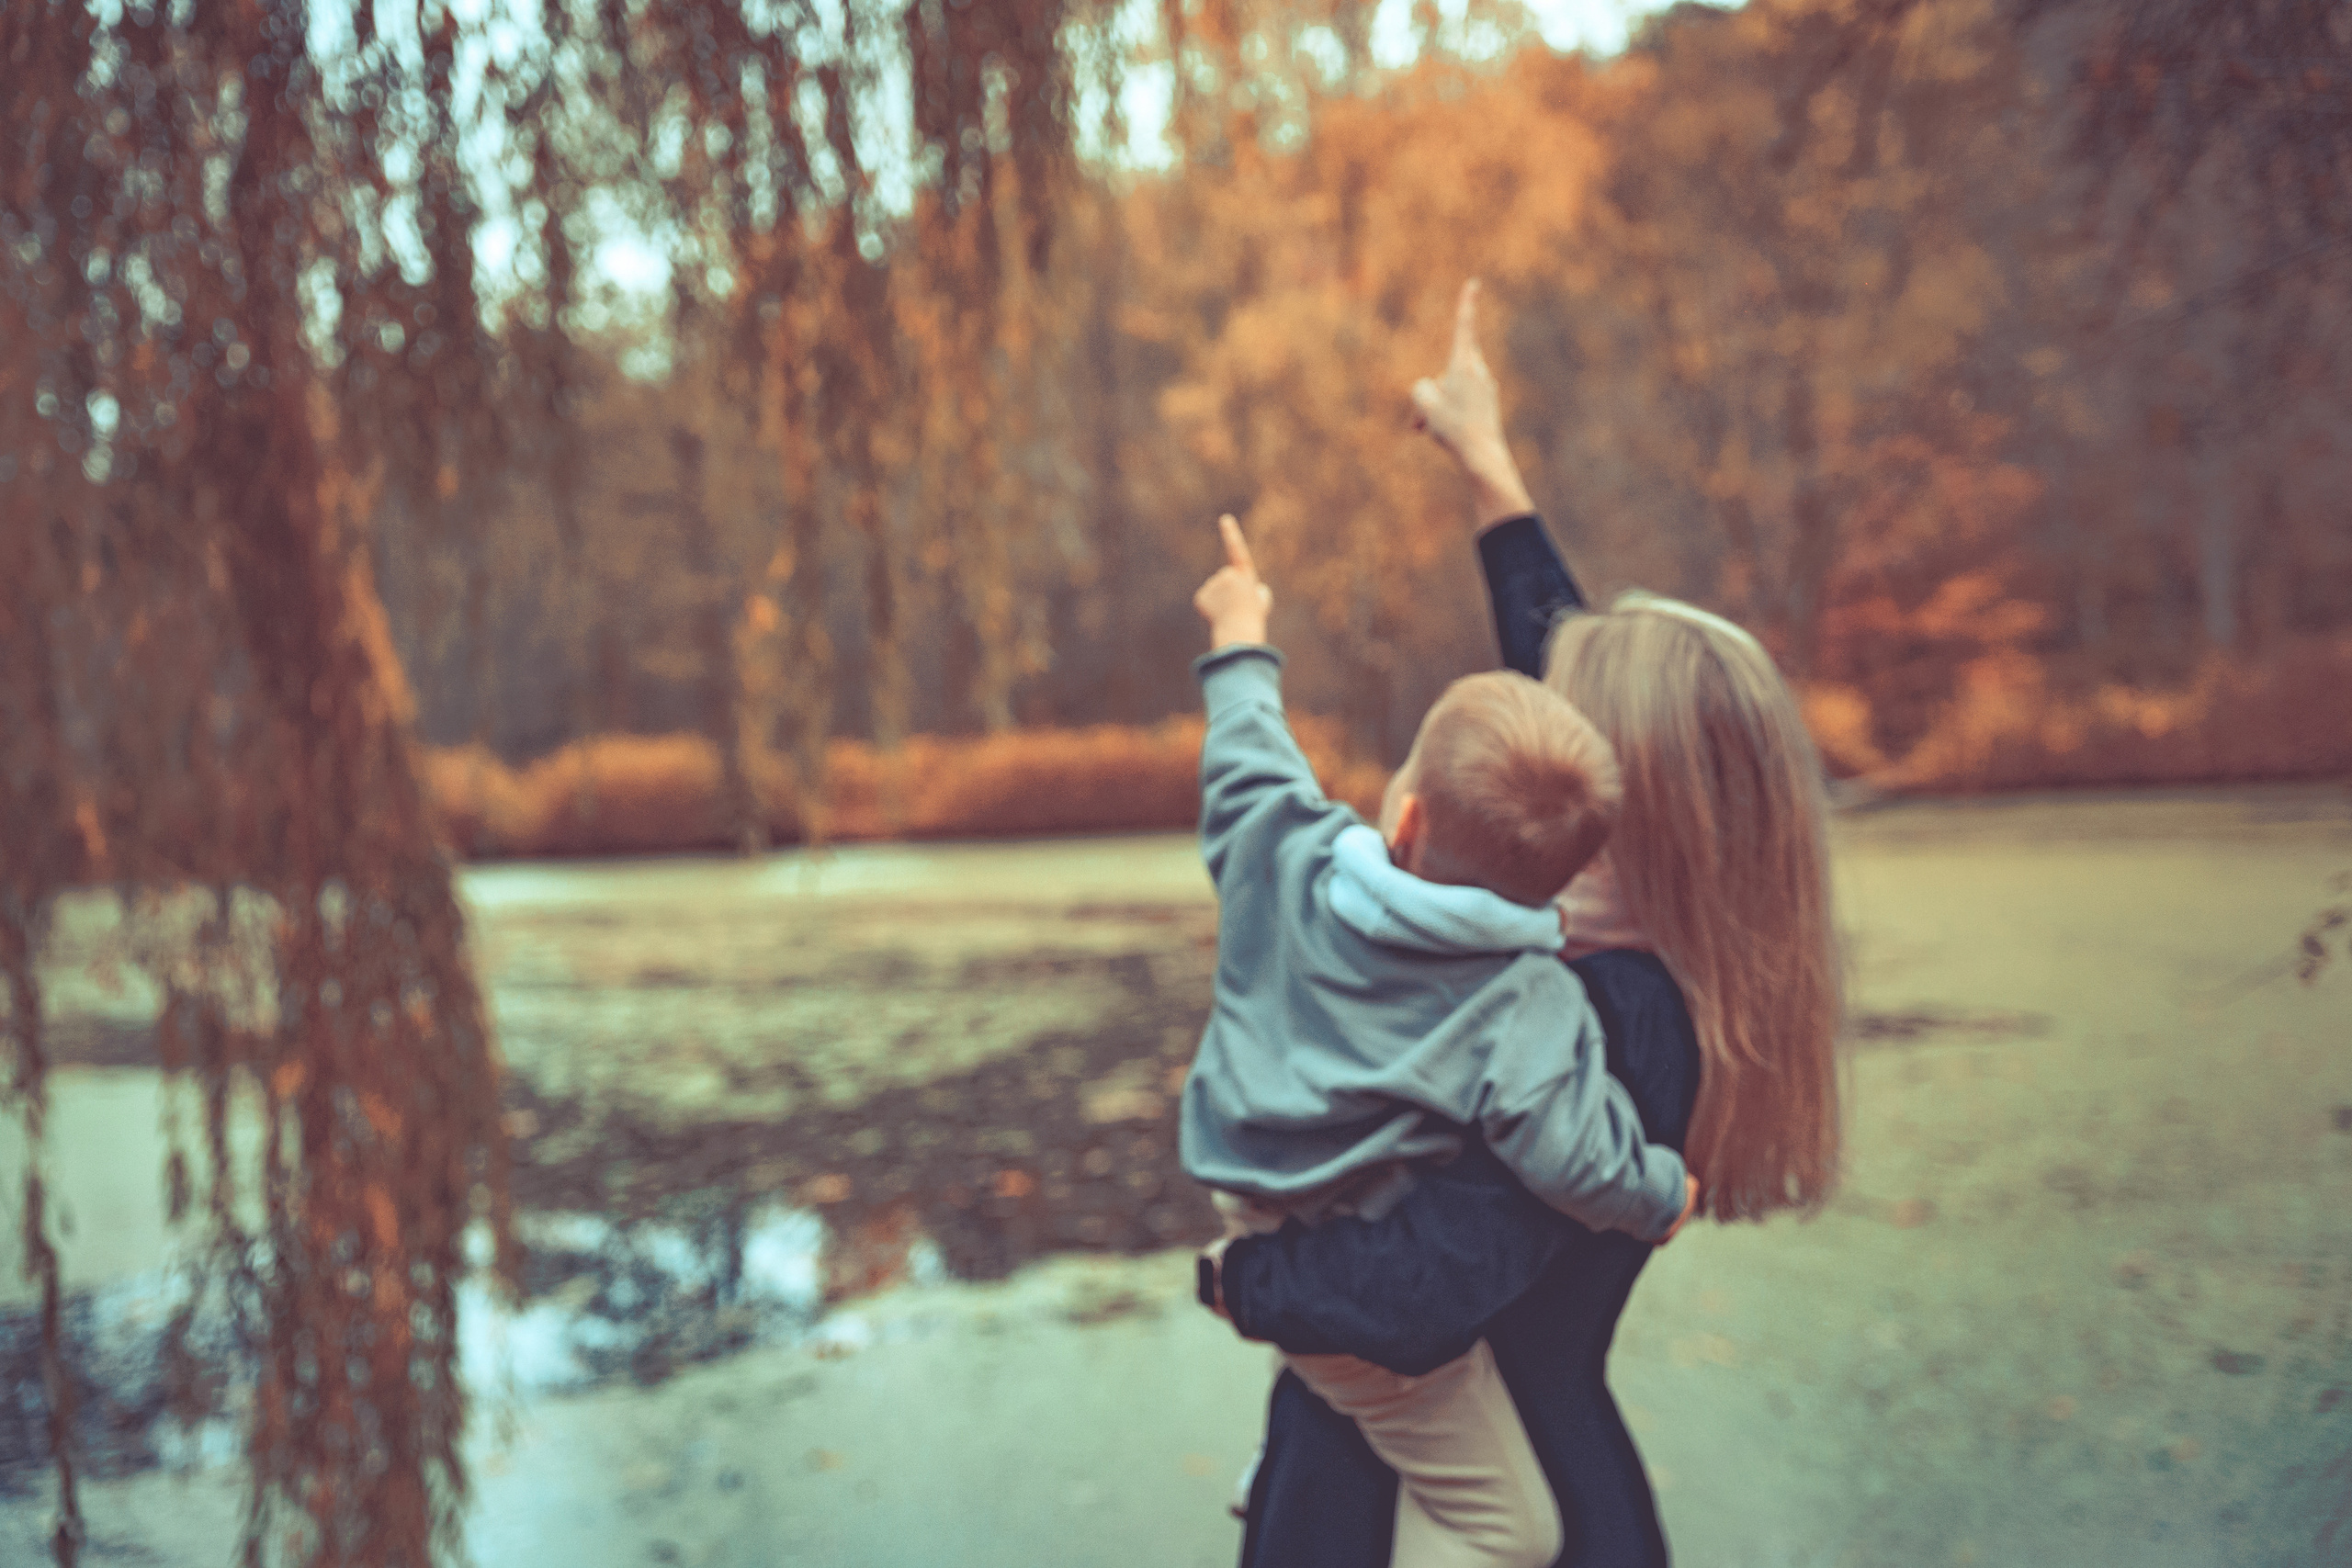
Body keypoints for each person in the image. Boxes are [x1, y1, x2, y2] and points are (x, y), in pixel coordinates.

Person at [1203, 280, 1843, 1568]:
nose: (1536, 722)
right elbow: (1564, 711)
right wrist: (1486, 465)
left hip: (1452, 1517)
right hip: (1455, 1472)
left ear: (1634, 809)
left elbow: (1425, 1280)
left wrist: (1238, 1277)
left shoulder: (1610, 1021)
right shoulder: (1604, 943)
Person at [1182, 513, 1701, 1568]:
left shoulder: (1287, 850)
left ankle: (1281, 1463)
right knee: (1511, 1525)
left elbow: (1243, 749)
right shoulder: (1531, 1003)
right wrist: (1660, 1194)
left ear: (1405, 819)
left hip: (1246, 1189)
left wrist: (1240, 625)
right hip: (1351, 1252)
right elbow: (1573, 1159)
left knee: (1348, 1396)